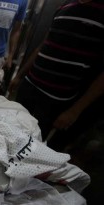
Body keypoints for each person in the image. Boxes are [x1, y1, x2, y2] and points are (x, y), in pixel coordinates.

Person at [8, 0, 104, 152]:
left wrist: (75, 110)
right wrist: (20, 75)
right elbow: (44, 45)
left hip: (55, 100)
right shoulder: (65, 6)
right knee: (11, 129)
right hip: (29, 85)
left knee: (31, 145)